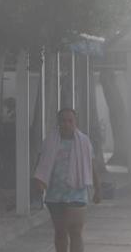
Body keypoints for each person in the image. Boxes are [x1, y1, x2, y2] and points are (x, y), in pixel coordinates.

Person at [34, 108, 101, 252]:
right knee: (60, 232)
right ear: (58, 122)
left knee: (76, 232)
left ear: (75, 122)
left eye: (70, 121)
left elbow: (92, 166)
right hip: (55, 195)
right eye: (63, 121)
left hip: (77, 193)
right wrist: (38, 182)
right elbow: (41, 163)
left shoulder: (84, 142)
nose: (66, 124)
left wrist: (97, 189)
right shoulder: (49, 141)